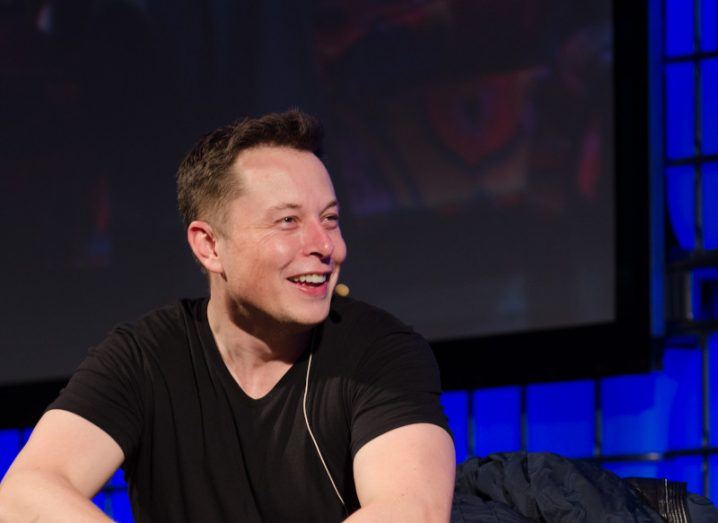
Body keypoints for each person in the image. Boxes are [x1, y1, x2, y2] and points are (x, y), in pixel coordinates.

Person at [0, 110, 455, 522]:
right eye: (288, 222)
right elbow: (25, 492)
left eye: (330, 219)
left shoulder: (382, 352)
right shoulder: (144, 356)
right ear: (210, 246)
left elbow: (410, 510)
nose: (327, 247)